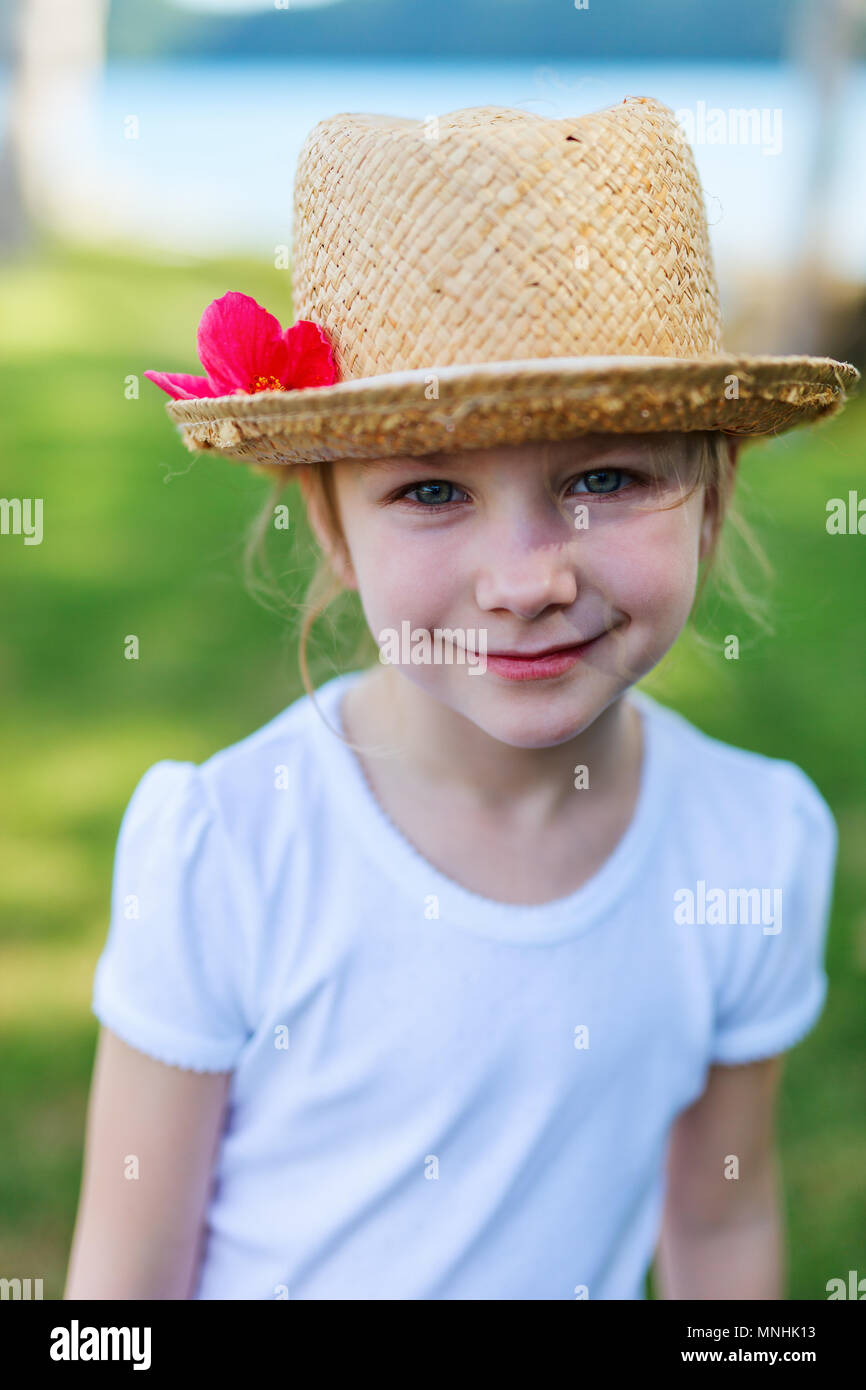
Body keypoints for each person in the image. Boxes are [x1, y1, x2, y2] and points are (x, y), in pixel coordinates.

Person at [64, 97, 858, 1300]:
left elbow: (721, 1227)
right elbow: (119, 1293)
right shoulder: (227, 847)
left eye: (604, 476)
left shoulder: (751, 840)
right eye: (431, 492)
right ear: (330, 523)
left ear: (710, 492)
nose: (529, 580)